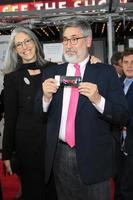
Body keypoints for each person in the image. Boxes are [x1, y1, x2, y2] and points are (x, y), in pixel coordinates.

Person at [36, 17, 129, 200]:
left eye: (74, 38)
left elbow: (122, 115)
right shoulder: (52, 72)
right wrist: (45, 97)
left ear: (88, 41)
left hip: (95, 156)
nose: (68, 44)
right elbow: (38, 113)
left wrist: (98, 99)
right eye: (65, 39)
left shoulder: (105, 72)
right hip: (60, 155)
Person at [2, 27, 55, 200]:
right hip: (27, 149)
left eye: (27, 41)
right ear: (15, 51)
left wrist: (93, 63)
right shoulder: (12, 78)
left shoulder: (55, 69)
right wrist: (7, 154)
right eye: (19, 45)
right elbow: (10, 118)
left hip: (54, 145)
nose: (25, 47)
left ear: (35, 43)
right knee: (33, 193)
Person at [118, 48, 133, 200]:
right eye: (126, 62)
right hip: (118, 143)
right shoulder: (118, 83)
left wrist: (124, 122)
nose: (129, 66)